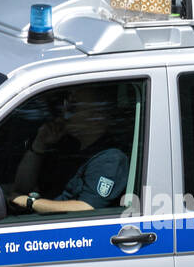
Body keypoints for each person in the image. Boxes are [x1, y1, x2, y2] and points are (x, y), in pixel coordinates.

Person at [11, 83, 130, 214]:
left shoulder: (110, 159)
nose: (64, 112)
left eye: (72, 108)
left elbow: (87, 207)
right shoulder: (66, 145)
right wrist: (39, 146)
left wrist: (31, 203)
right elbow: (22, 188)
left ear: (97, 116)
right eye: (65, 104)